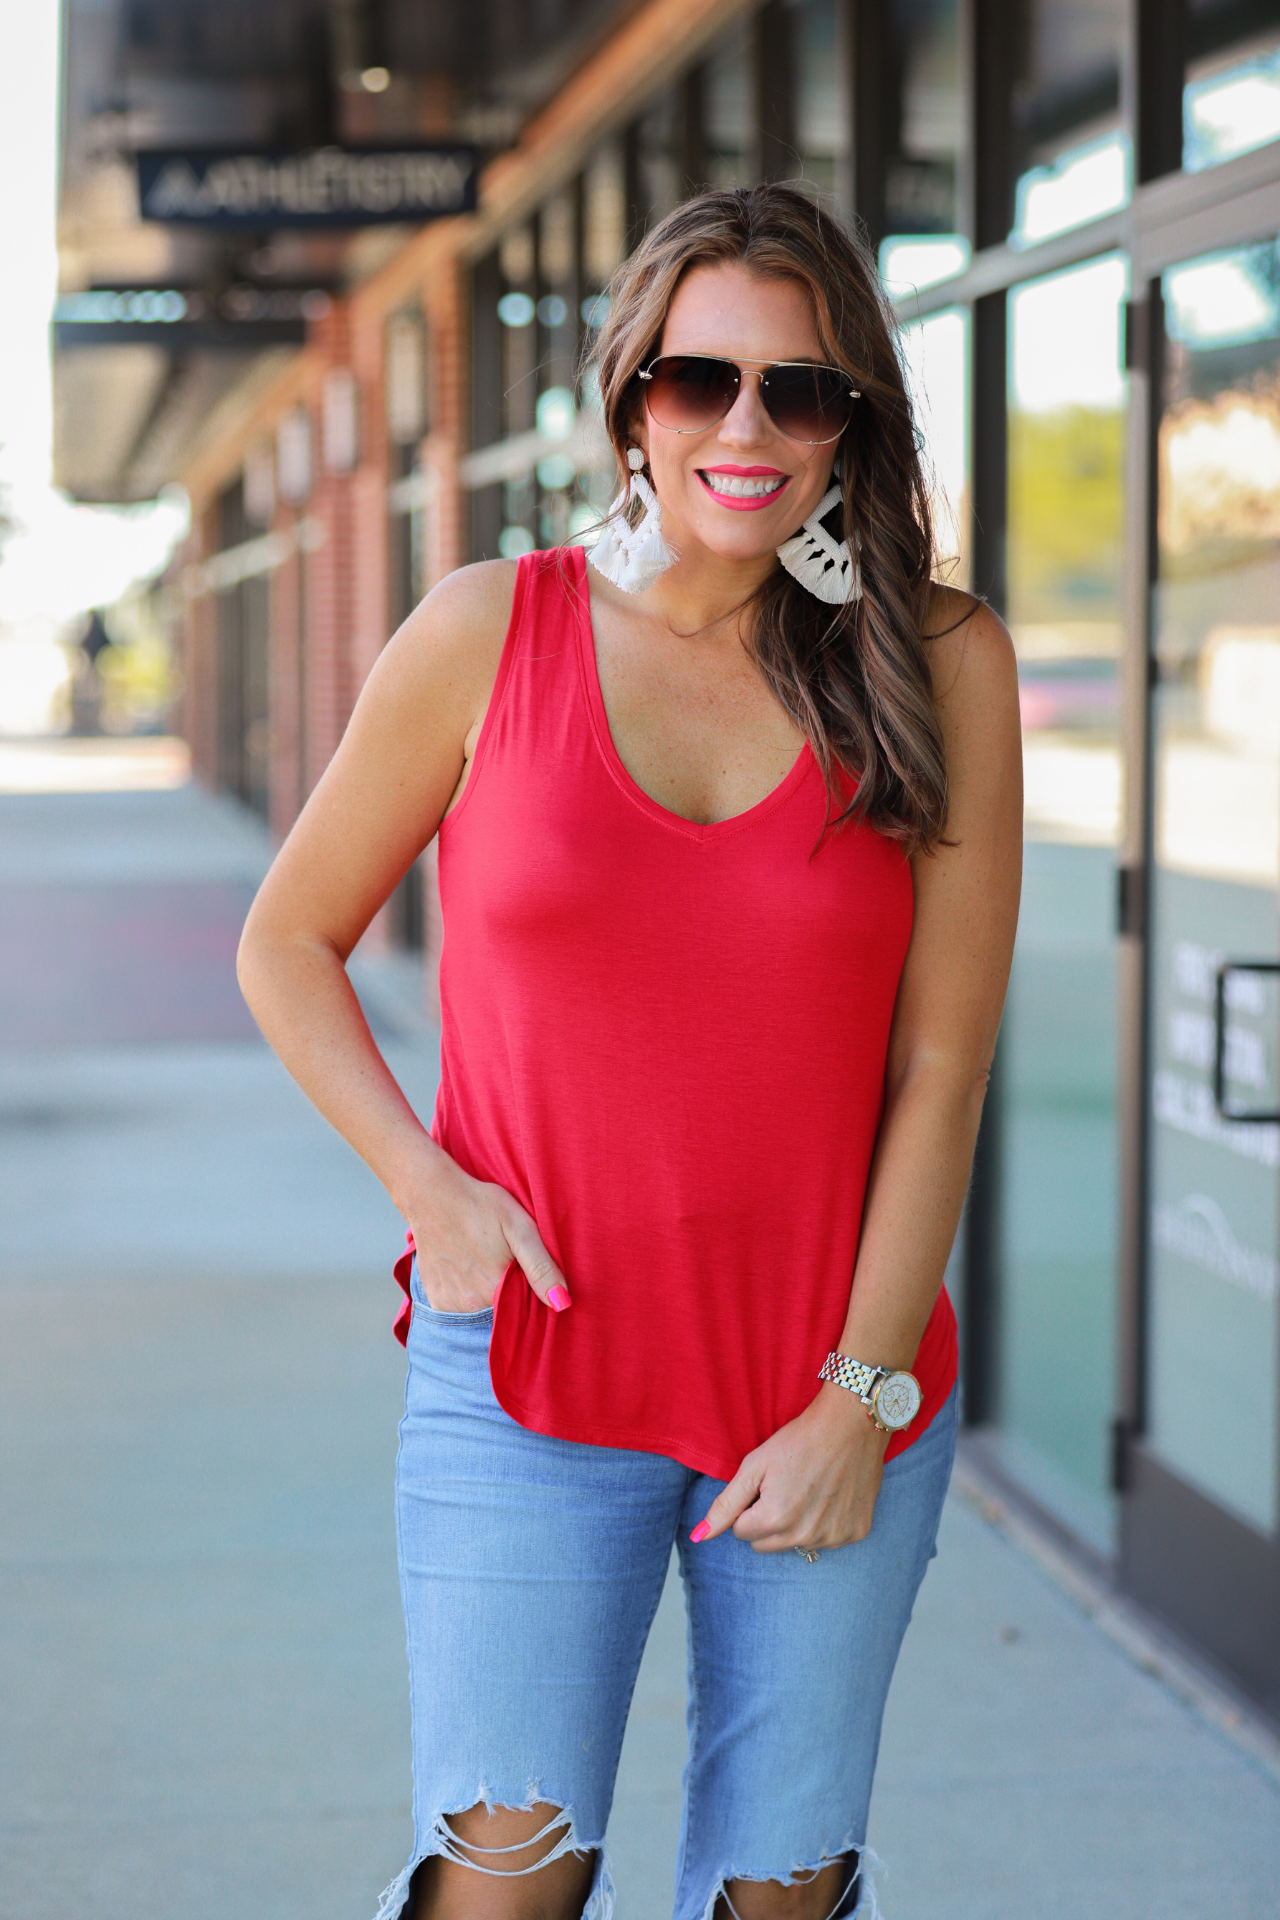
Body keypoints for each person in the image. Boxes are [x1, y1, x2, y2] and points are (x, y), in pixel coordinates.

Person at [237, 183, 1022, 1920]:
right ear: (630, 403)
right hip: (529, 1371)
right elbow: (286, 941)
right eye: (699, 383)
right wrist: (422, 1183)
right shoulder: (479, 632)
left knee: (779, 1893)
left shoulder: (938, 664)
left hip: (829, 1388)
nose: (747, 428)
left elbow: (943, 1070)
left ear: (852, 425)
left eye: (799, 391)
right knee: (503, 1881)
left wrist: (858, 1399)